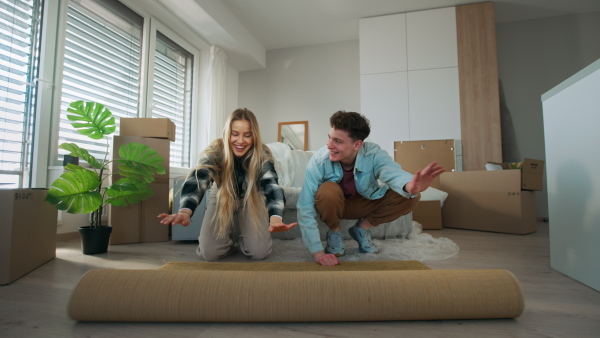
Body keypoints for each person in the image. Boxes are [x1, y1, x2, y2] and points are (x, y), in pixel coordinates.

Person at [297, 111, 445, 266]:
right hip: (334, 206)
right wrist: (318, 252)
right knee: (327, 190)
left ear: (357, 145)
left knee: (410, 196)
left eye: (337, 141)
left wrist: (410, 186)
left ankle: (362, 229)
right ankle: (334, 231)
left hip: (364, 203)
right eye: (329, 137)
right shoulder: (319, 160)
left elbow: (391, 172)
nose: (329, 145)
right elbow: (305, 205)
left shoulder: (373, 153)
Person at [158, 108, 297, 261]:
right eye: (235, 134)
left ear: (254, 136)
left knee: (259, 252)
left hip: (251, 198)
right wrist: (185, 211)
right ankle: (229, 240)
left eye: (247, 135)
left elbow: (271, 186)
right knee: (209, 253)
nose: (240, 140)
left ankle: (246, 237)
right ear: (227, 133)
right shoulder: (215, 151)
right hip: (221, 196)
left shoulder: (262, 155)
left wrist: (275, 217)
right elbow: (198, 178)